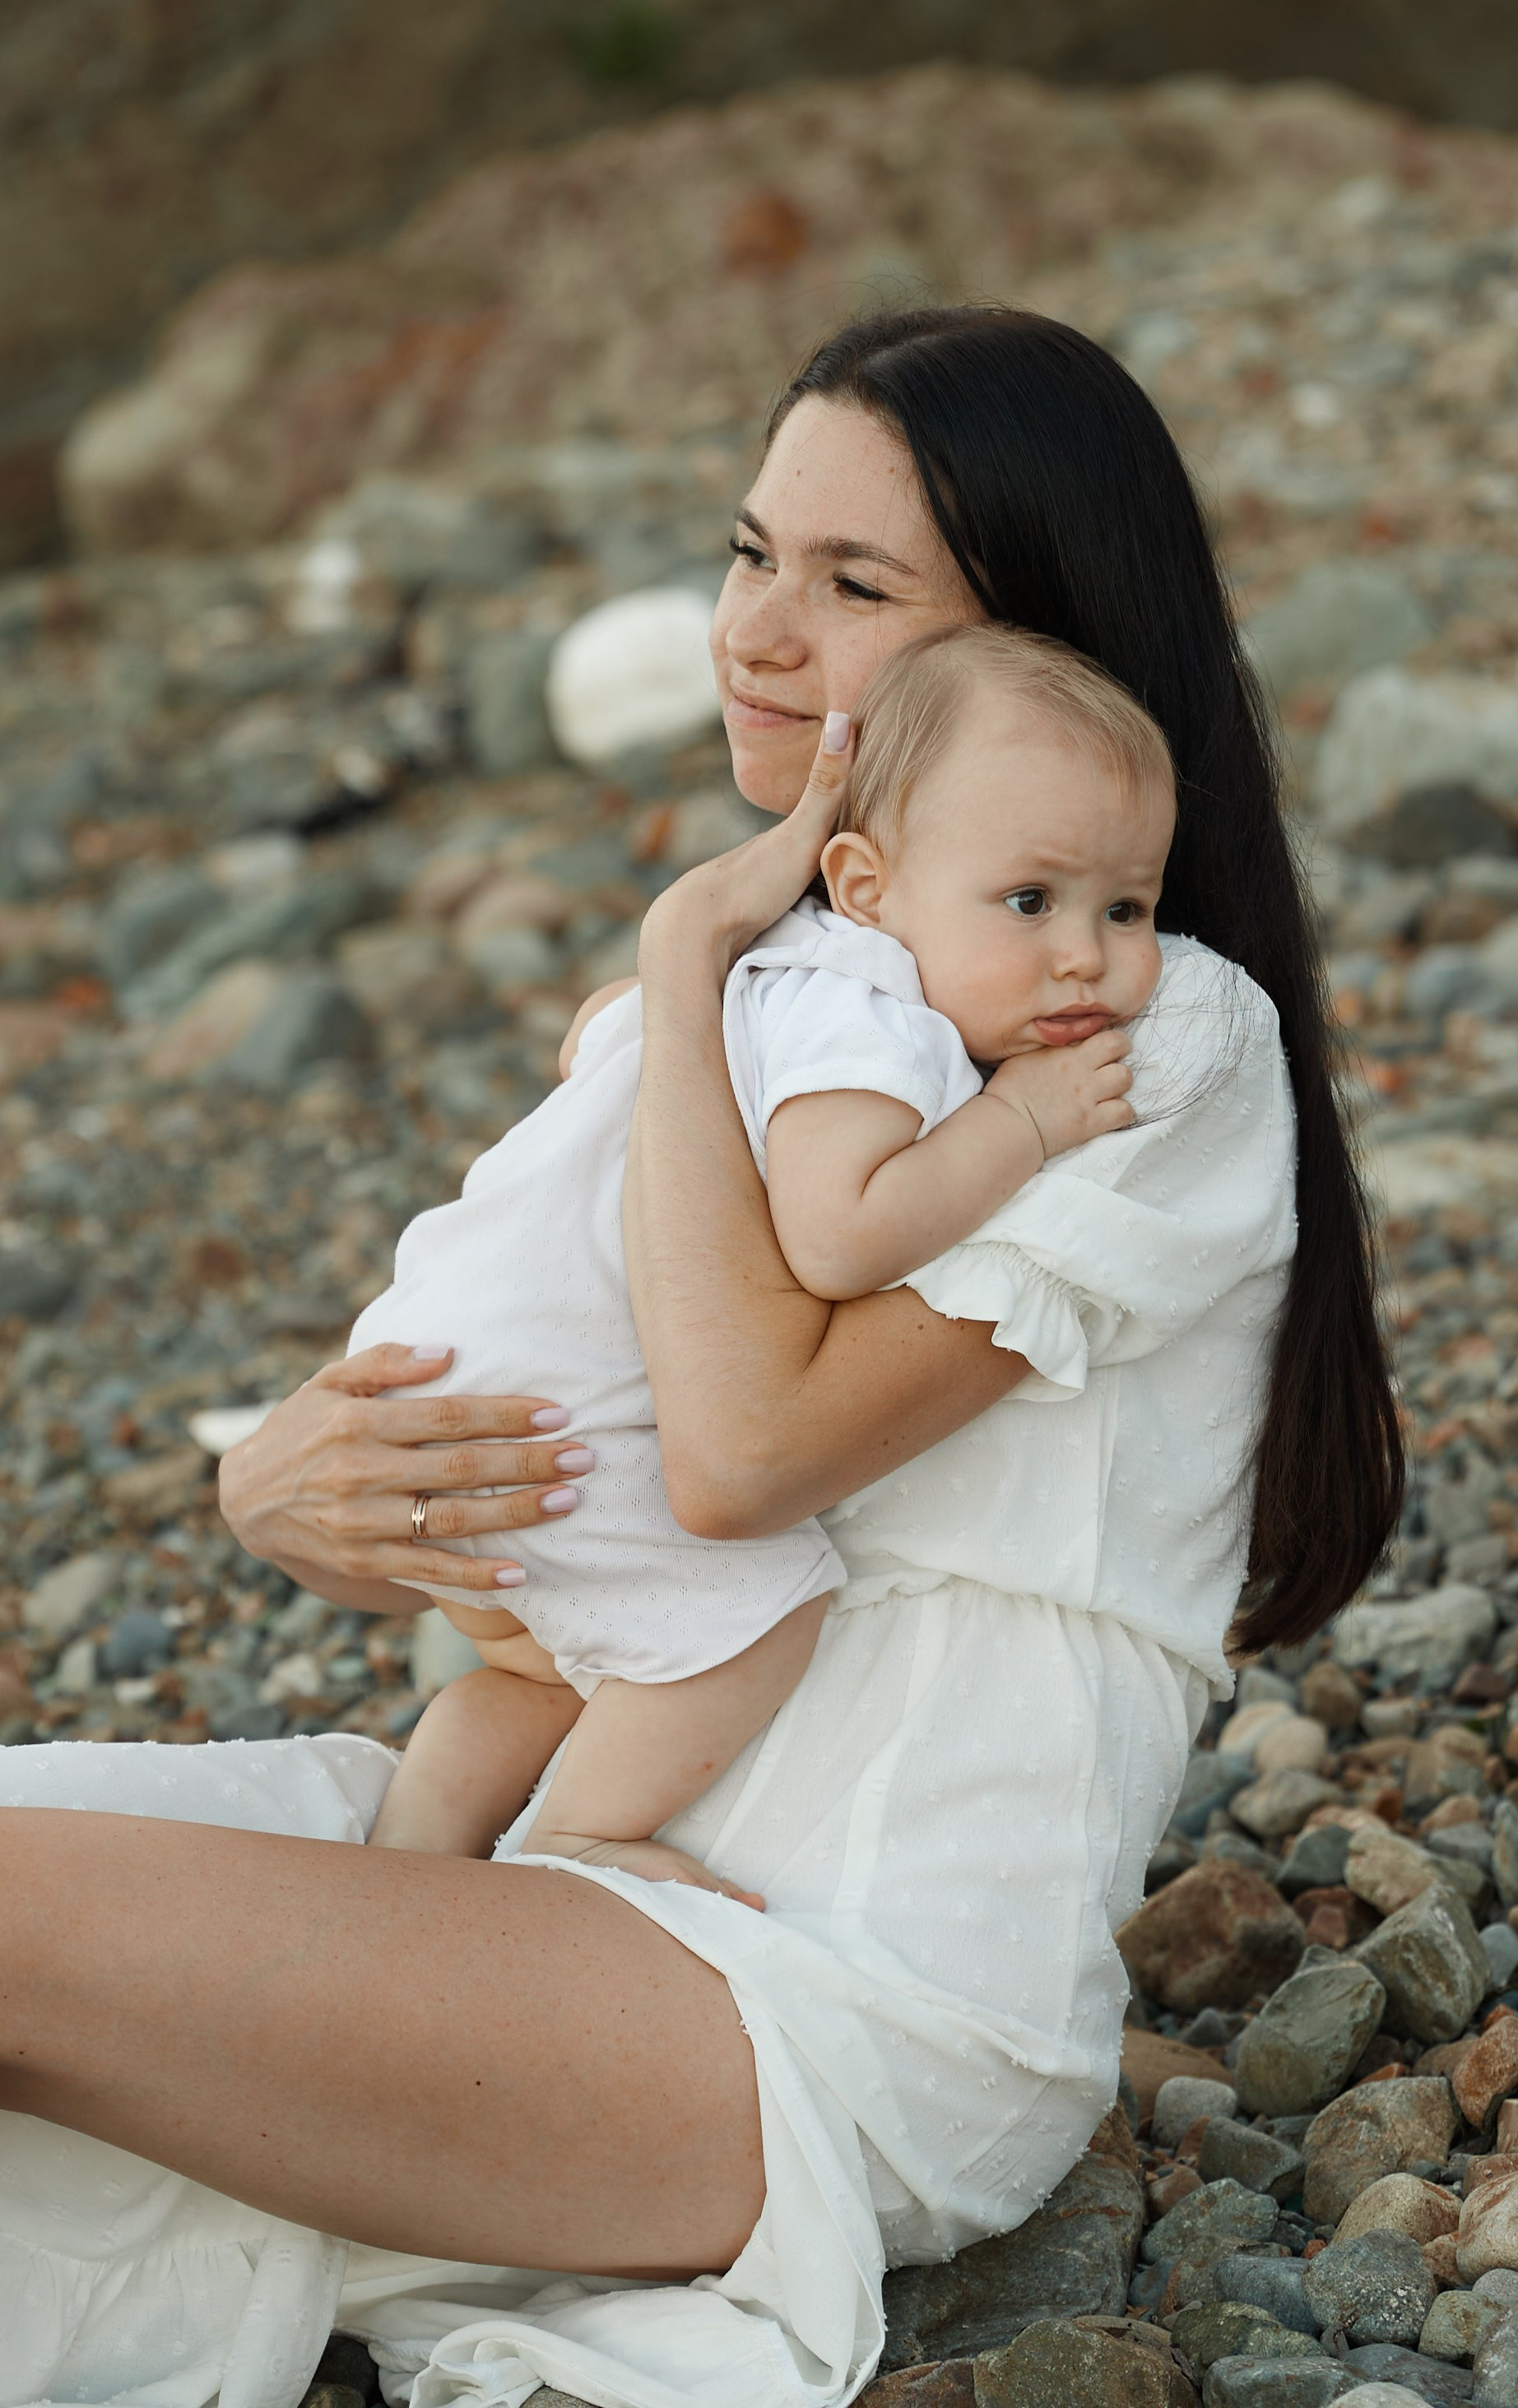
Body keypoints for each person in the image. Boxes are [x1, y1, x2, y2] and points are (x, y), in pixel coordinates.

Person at [0, 307, 1404, 2408]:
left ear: (1021, 653)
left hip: (827, 1990)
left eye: (852, 587)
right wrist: (283, 1481)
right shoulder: (798, 995)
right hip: (542, 1836)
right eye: (750, 552)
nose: (755, 631)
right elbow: (564, 1474)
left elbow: (740, 1455)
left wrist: (674, 956)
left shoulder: (1126, 1029)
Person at [367, 624, 1173, 1877]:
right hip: (556, 1417)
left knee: (555, 1671)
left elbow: (593, 1045)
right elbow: (838, 1233)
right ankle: (581, 1837)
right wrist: (1022, 1118)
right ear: (862, 885)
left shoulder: (758, 973)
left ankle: (416, 1853)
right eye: (1029, 899)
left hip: (444, 1360)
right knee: (758, 1614)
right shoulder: (874, 1015)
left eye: (1126, 907)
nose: (1086, 952)